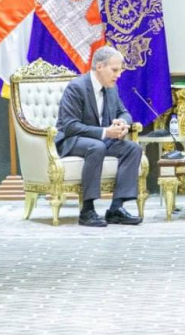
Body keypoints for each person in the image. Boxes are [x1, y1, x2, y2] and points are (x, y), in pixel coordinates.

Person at [55, 45, 143, 227]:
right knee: (97, 146)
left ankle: (116, 208)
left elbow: (124, 112)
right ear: (100, 67)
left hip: (101, 140)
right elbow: (70, 126)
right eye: (115, 70)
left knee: (133, 148)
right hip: (72, 140)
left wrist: (122, 123)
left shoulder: (111, 88)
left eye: (120, 70)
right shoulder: (76, 87)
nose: (119, 75)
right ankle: (87, 211)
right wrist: (105, 132)